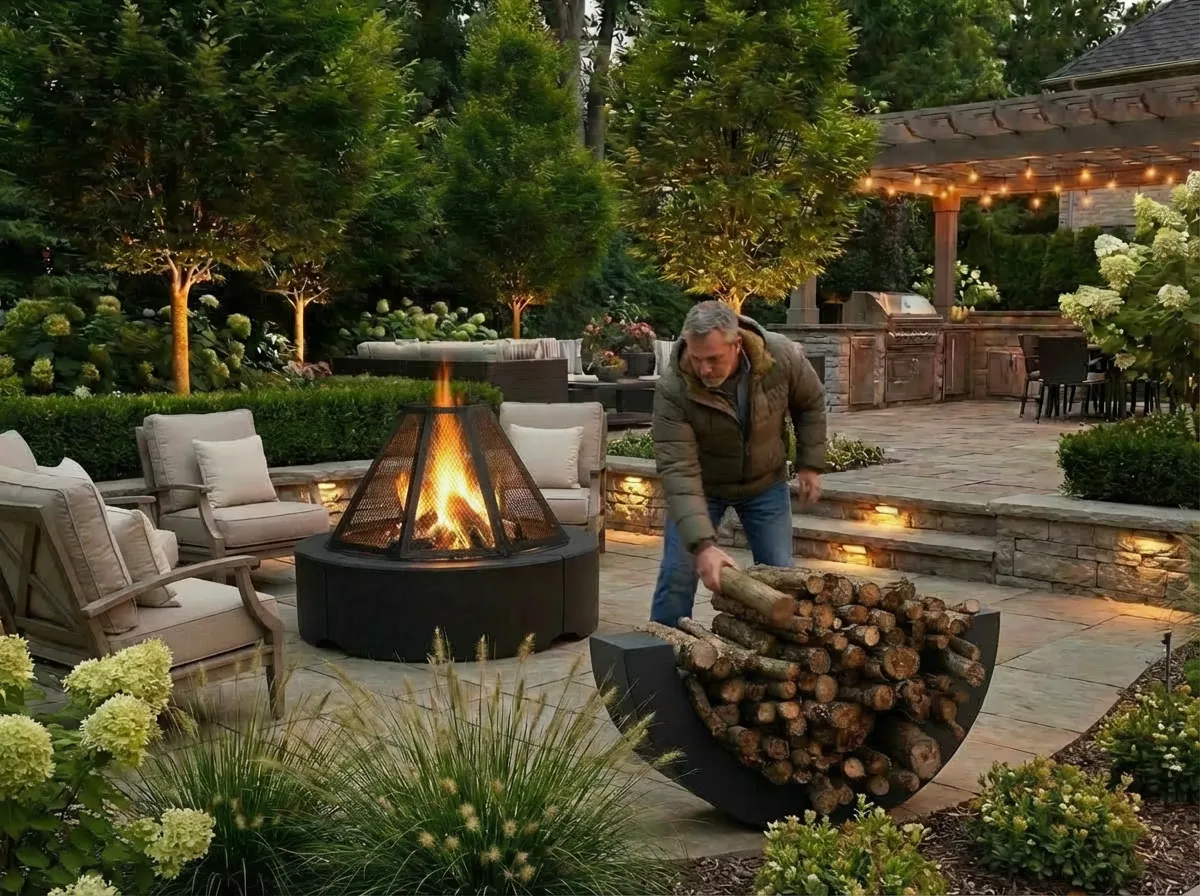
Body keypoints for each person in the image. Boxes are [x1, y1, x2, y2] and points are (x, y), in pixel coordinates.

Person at [649, 300, 826, 627]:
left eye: (714, 359)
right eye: (697, 358)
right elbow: (678, 469)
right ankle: (663, 648)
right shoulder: (673, 387)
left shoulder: (781, 356)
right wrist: (703, 546)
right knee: (676, 575)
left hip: (765, 483)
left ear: (737, 344)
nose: (704, 369)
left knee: (780, 576)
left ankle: (782, 652)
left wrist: (810, 464)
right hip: (703, 487)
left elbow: (810, 403)